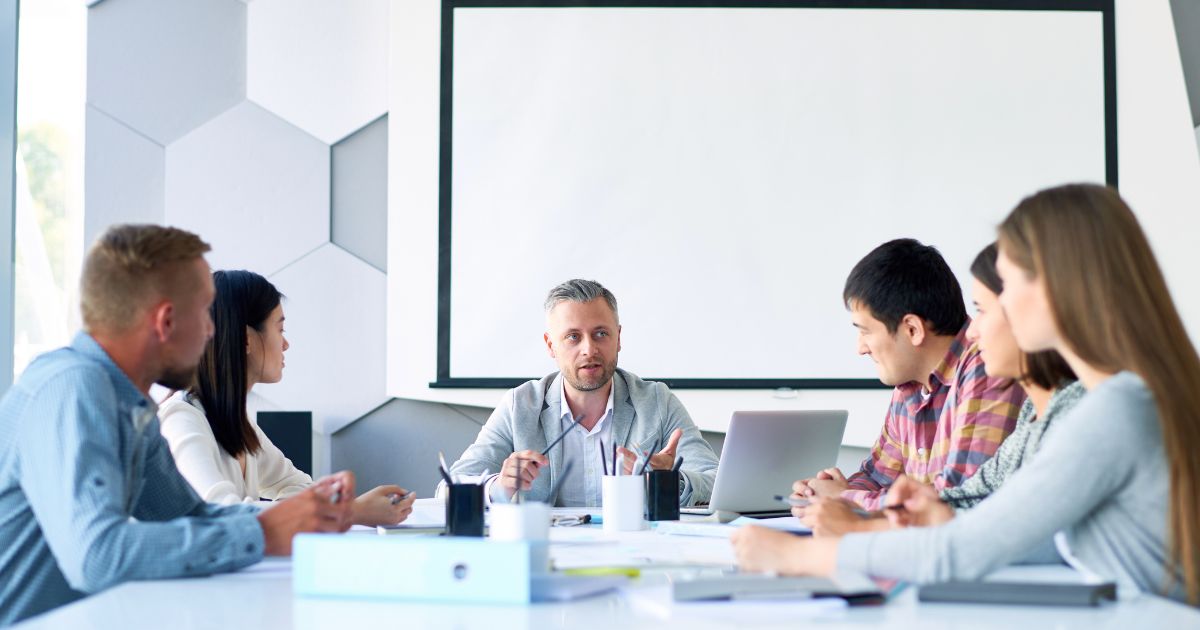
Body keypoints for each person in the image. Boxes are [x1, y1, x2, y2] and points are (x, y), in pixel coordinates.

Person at [732, 184, 1200, 605]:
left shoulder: (1112, 411)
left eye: (1001, 290)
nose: (973, 326)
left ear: (1057, 290)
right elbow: (1036, 534)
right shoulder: (1114, 402)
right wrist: (936, 520)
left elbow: (965, 551)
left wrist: (797, 555)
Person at [0, 225, 355, 626]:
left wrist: (298, 518)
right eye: (205, 312)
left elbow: (189, 515)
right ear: (166, 321)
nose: (211, 331)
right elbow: (98, 555)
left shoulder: (132, 404)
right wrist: (263, 534)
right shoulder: (73, 389)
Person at [799, 243, 1084, 536]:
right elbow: (880, 478)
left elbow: (959, 501)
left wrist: (844, 501)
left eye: (864, 331)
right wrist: (828, 497)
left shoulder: (989, 367)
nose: (860, 348)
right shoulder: (910, 385)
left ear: (912, 329)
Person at [158, 270, 414, 526]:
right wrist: (352, 512)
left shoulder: (235, 421)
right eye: (280, 329)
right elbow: (222, 515)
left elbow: (296, 485)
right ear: (246, 339)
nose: (286, 344)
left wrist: (331, 510)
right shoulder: (181, 419)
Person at [448, 279, 719, 507]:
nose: (589, 349)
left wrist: (669, 481)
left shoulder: (656, 401)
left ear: (619, 338)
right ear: (550, 345)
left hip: (633, 557)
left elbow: (716, 480)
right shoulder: (520, 405)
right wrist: (500, 487)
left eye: (601, 333)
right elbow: (450, 488)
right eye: (573, 337)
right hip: (547, 558)